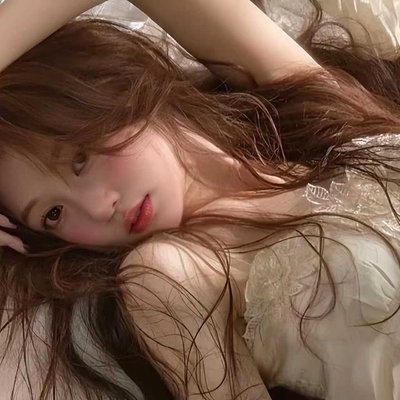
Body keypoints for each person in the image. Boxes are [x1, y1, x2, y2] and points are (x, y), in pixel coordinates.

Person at [0, 0, 399, 399]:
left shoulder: (315, 109)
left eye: (79, 159)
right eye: (53, 213)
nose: (99, 208)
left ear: (114, 94)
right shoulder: (170, 271)